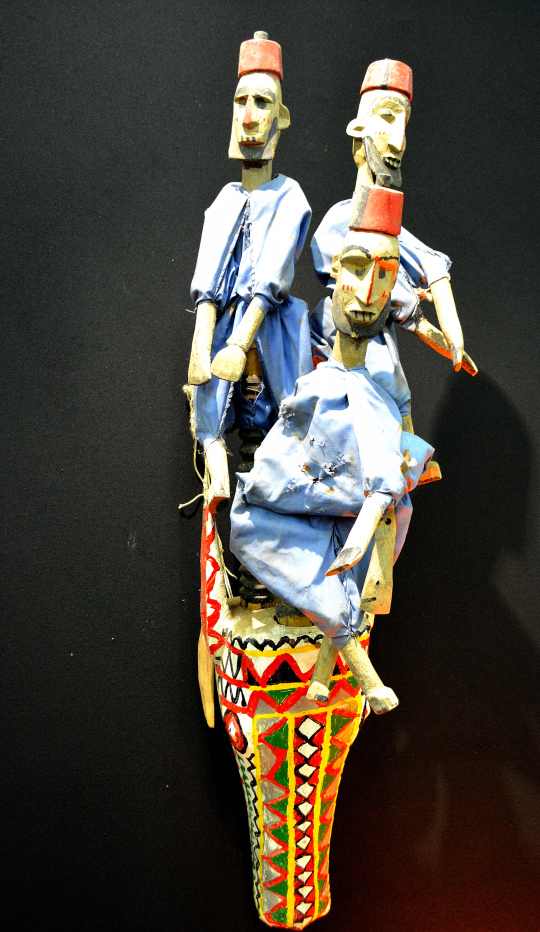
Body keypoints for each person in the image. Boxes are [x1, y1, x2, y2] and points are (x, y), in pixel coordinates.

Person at [231, 186, 433, 715]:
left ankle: (336, 669)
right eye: (357, 268)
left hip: (368, 472)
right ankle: (350, 668)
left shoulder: (381, 369)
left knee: (364, 554)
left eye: (385, 275)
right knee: (262, 520)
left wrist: (405, 465)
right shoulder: (316, 342)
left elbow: (397, 412)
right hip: (319, 453)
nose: (367, 291)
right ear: (335, 268)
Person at [310, 59, 473, 438]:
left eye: (404, 127)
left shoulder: (388, 225)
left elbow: (429, 264)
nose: (398, 141)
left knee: (393, 389)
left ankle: (406, 456)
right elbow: (331, 260)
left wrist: (447, 331)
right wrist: (420, 319)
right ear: (359, 130)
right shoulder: (340, 219)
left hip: (373, 335)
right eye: (386, 118)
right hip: (337, 335)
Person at [184, 32, 312, 505]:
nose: (250, 115)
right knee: (209, 415)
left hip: (270, 328)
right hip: (223, 332)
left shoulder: (289, 196)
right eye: (241, 101)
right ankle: (217, 476)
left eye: (263, 102)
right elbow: (208, 275)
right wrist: (203, 345)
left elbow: (273, 274)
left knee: (292, 419)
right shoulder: (224, 201)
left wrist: (241, 342)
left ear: (281, 117)